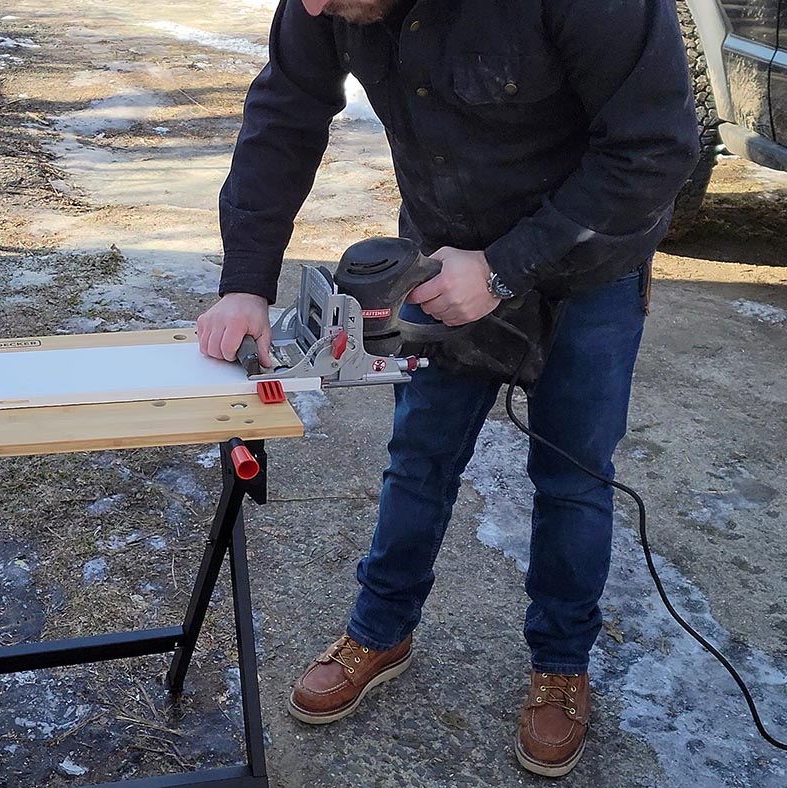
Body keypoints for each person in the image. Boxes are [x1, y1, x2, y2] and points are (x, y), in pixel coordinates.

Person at [196, 0, 699, 777]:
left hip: (586, 268)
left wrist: (503, 269)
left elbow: (656, 148)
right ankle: (380, 628)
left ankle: (561, 666)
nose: (317, 7)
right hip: (439, 260)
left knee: (573, 479)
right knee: (419, 457)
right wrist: (244, 281)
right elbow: (286, 113)